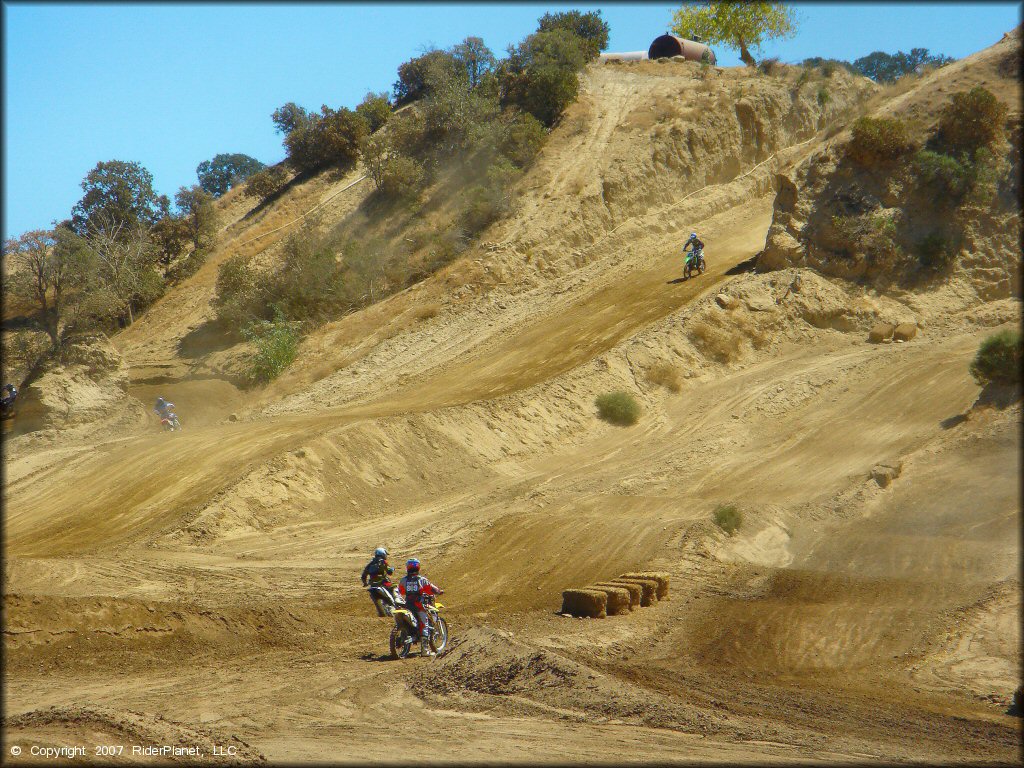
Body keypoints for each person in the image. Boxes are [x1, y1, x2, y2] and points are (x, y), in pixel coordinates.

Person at [398, 558, 443, 657]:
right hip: (419, 605)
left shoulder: (403, 580)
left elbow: (400, 591)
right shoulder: (421, 580)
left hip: (408, 605)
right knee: (424, 624)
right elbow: (431, 588)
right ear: (418, 567)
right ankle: (424, 650)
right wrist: (439, 591)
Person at [361, 547, 395, 616]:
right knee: (394, 588)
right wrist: (392, 569)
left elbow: (364, 575)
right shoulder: (383, 562)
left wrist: (365, 583)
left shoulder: (370, 563)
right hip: (383, 583)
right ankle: (397, 603)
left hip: (373, 585)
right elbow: (390, 572)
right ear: (383, 554)